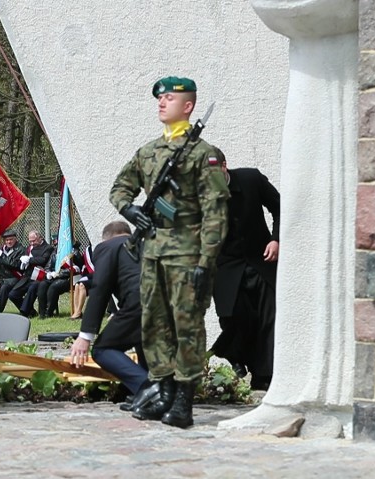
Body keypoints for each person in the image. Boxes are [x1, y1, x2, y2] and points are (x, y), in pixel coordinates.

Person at [109, 76, 230, 429]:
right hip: (153, 254)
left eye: (170, 98)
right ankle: (161, 388)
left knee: (187, 326)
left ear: (188, 106)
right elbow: (120, 187)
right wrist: (128, 210)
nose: (162, 103)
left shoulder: (203, 154)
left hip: (188, 254)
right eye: (159, 98)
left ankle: (183, 399)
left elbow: (215, 213)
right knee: (153, 324)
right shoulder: (148, 152)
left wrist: (207, 261)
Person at [210, 155, 280, 391]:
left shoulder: (251, 179)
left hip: (260, 260)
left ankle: (265, 376)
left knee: (269, 318)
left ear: (224, 166)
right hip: (225, 266)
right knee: (233, 317)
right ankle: (236, 358)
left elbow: (279, 207)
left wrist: (276, 239)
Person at [69, 221, 149, 399]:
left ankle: (149, 388)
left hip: (140, 302)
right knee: (144, 342)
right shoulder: (145, 244)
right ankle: (143, 397)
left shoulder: (108, 247)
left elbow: (101, 287)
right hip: (168, 303)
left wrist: (85, 335)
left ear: (107, 238)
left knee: (103, 349)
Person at [0, 230, 27, 313]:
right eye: (6, 240)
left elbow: (16, 264)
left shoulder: (21, 249)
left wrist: (2, 256)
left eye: (11, 239)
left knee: (4, 288)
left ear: (15, 239)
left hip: (14, 278)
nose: (8, 242)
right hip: (1, 278)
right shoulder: (2, 249)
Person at [70, 244, 94, 319]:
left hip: (100, 276)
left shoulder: (101, 248)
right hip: (90, 276)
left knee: (81, 285)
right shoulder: (88, 250)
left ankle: (78, 312)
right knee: (77, 285)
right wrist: (75, 251)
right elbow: (80, 263)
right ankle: (77, 312)